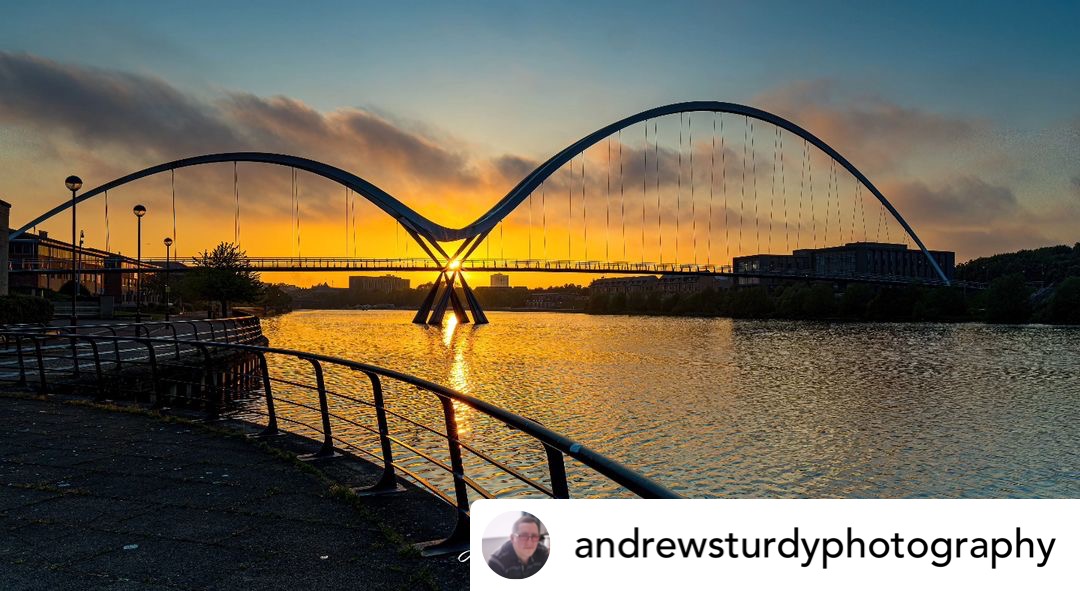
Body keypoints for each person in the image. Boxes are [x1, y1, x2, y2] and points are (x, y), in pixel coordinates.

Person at [487, 513, 549, 579]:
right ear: (512, 538)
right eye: (523, 536)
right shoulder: (497, 563)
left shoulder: (543, 553)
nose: (529, 542)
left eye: (534, 536)